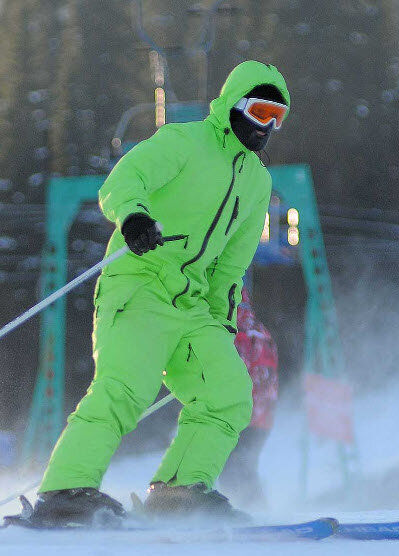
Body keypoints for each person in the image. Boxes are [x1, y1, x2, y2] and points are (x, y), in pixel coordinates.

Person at [28, 61, 291, 528]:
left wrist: (220, 323)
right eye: (259, 110)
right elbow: (123, 180)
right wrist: (133, 218)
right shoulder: (184, 142)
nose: (266, 125)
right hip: (140, 285)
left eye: (277, 115)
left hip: (191, 307)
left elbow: (232, 264)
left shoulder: (257, 182)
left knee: (229, 393)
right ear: (234, 104)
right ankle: (65, 492)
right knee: (123, 389)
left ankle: (179, 493)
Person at [218, 287, 278, 508]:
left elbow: (234, 369)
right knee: (243, 465)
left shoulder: (238, 332)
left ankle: (252, 510)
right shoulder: (259, 329)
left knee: (233, 468)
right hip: (263, 414)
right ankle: (257, 508)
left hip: (245, 413)